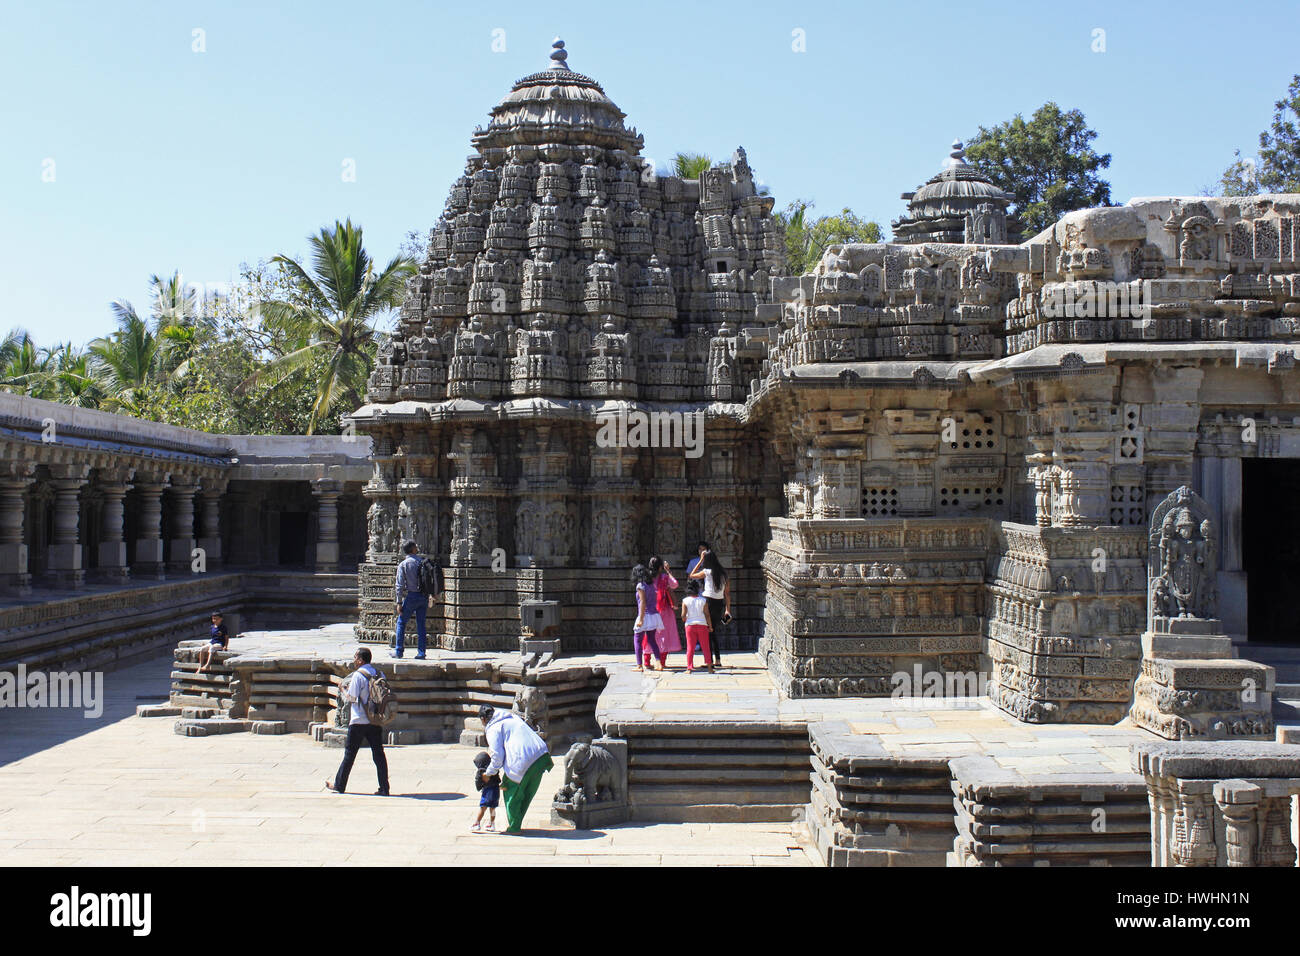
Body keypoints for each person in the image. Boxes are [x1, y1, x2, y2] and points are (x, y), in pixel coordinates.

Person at [325, 647, 390, 796]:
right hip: (375, 719)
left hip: (359, 720)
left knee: (349, 754)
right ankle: (384, 787)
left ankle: (340, 785)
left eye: (355, 657)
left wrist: (343, 689)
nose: (354, 660)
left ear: (360, 660)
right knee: (379, 754)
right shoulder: (380, 673)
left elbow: (352, 699)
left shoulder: (358, 675)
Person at [479, 704, 553, 834]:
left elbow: (497, 756)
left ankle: (514, 826)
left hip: (522, 760)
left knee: (510, 790)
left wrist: (488, 773)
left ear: (483, 719)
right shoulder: (512, 717)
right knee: (526, 791)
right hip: (542, 755)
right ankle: (517, 822)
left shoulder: (493, 728)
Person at [689, 549, 731, 668]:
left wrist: (701, 560)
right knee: (713, 631)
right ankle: (716, 659)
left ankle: (710, 660)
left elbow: (692, 575)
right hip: (719, 603)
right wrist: (728, 609)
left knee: (707, 632)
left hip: (707, 602)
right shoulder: (724, 573)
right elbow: (727, 594)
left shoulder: (707, 572)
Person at [393, 540, 427, 659]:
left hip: (411, 596)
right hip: (423, 596)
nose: (417, 548)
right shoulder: (422, 562)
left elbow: (399, 585)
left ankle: (398, 651)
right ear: (412, 549)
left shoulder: (404, 564)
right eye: (415, 546)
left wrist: (399, 602)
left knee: (401, 622)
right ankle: (421, 652)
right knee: (421, 624)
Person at [649, 555, 681, 668]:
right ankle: (662, 661)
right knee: (664, 635)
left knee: (649, 634)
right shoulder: (664, 577)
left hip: (650, 609)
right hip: (664, 609)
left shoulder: (647, 578)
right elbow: (675, 584)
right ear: (660, 568)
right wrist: (668, 571)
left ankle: (647, 661)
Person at [631, 562, 663, 670]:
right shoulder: (651, 584)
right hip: (654, 614)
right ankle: (658, 662)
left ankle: (639, 664)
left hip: (645, 615)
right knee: (651, 639)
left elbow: (642, 602)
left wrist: (640, 618)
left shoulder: (640, 586)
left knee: (637, 639)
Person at [680, 579, 713, 673]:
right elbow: (707, 614)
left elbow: (683, 615)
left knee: (690, 647)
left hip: (690, 626)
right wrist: (710, 626)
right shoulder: (703, 600)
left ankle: (689, 667)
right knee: (705, 647)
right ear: (698, 589)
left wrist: (685, 619)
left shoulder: (685, 600)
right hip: (702, 625)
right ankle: (710, 668)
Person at [471, 751, 500, 832]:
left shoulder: (481, 771)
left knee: (483, 808)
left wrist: (479, 786)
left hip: (487, 792)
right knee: (493, 809)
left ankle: (477, 823)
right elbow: (498, 779)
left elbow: (478, 782)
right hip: (495, 791)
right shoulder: (494, 769)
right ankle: (492, 823)